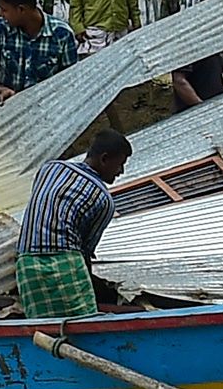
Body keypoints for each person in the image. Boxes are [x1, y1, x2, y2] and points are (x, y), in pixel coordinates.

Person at [13, 127, 134, 320]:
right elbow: (84, 251)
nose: (121, 171)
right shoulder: (102, 198)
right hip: (64, 262)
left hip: (26, 262)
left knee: (43, 328)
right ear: (104, 159)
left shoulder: (49, 168)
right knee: (83, 325)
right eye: (120, 164)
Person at [0, 0, 80, 108]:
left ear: (21, 9)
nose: (0, 14)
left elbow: (70, 83)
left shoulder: (62, 35)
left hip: (42, 114)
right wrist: (1, 90)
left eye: (4, 10)